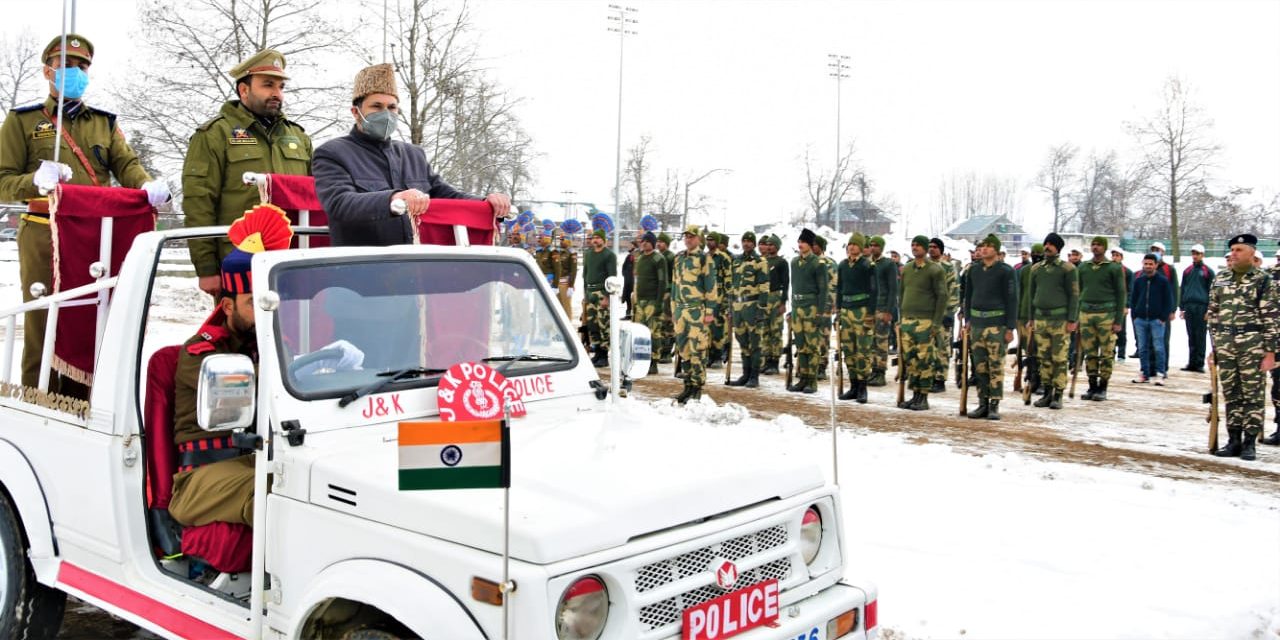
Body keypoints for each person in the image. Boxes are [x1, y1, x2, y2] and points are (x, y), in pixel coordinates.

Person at [0, 34, 164, 396]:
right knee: (43, 322)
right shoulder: (23, 121)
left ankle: (80, 406)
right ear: (48, 71)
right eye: (66, 65)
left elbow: (127, 164)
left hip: (93, 234)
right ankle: (39, 404)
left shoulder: (104, 124)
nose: (75, 71)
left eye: (81, 66)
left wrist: (147, 184)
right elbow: (3, 181)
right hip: (44, 232)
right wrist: (34, 181)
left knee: (88, 321)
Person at [169, 206, 294, 529]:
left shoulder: (274, 343)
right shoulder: (201, 354)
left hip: (257, 459)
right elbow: (247, 390)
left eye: (271, 302)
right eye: (255, 303)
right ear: (227, 306)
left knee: (310, 477)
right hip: (200, 477)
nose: (266, 312)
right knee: (287, 491)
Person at [312, 63, 509, 247]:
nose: (386, 114)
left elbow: (445, 194)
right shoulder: (332, 153)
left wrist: (486, 202)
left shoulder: (413, 154)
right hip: (362, 262)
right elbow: (340, 203)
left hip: (416, 260)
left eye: (392, 107)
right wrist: (393, 198)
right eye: (376, 106)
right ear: (356, 112)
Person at [183, 49, 310, 294]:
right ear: (244, 90)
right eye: (268, 85)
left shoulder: (298, 136)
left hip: (292, 258)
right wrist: (206, 268)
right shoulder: (214, 134)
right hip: (239, 258)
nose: (277, 93)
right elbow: (199, 203)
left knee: (295, 320)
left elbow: (312, 197)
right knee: (243, 320)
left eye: (281, 87)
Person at [1209, 234, 1277, 461]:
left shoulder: (1263, 280)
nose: (1234, 254)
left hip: (1252, 345)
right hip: (1225, 343)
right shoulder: (1221, 278)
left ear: (1251, 253)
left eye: (1239, 250)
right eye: (1232, 250)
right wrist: (1214, 348)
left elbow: (1271, 318)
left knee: (1253, 395)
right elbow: (1213, 314)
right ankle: (1234, 440)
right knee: (1231, 393)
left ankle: (1249, 442)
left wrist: (1270, 352)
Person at [964, 234, 1017, 420]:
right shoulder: (974, 270)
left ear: (996, 250)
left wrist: (1010, 327)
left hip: (996, 325)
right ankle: (982, 402)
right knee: (979, 366)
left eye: (988, 246)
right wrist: (968, 319)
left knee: (995, 365)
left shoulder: (1006, 271)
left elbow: (1012, 299)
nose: (984, 249)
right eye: (982, 246)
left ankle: (994, 403)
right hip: (977, 324)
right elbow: (968, 296)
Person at [1027, 233, 1078, 409]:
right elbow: (1031, 294)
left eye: (1051, 244)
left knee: (1059, 358)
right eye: (1046, 243)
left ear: (1058, 248)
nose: (1047, 247)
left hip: (1060, 320)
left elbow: (1074, 295)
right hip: (1041, 319)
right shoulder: (1036, 269)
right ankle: (1047, 392)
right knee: (1044, 358)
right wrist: (1031, 317)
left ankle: (1058, 393)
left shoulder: (1068, 269)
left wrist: (1072, 319)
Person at [897, 235, 946, 410]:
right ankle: (915, 394)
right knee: (911, 359)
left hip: (925, 322)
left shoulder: (935, 270)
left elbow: (942, 296)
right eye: (913, 244)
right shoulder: (907, 269)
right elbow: (902, 293)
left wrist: (936, 323)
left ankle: (923, 396)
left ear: (925, 249)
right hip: (907, 321)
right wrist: (901, 318)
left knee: (924, 359)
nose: (915, 247)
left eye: (918, 245)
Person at [671, 226, 718, 404]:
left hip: (697, 310)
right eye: (686, 237)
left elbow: (711, 286)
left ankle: (697, 388)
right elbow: (674, 285)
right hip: (681, 310)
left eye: (691, 237)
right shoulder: (679, 258)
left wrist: (710, 311)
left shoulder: (704, 259)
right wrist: (674, 309)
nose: (688, 239)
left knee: (697, 349)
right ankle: (687, 386)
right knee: (684, 350)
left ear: (699, 239)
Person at [1076, 236, 1126, 401]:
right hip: (1086, 313)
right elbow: (1078, 292)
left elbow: (1121, 294)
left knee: (1106, 353)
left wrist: (1118, 320)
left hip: (1106, 314)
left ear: (1104, 248)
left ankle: (1103, 386)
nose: (1095, 247)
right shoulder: (1083, 267)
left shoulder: (1114, 268)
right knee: (1090, 352)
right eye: (1093, 244)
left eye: (1099, 245)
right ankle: (1092, 385)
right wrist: (1076, 316)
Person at [836, 233, 877, 402]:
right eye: (850, 244)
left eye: (855, 244)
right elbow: (839, 288)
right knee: (848, 350)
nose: (851, 247)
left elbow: (874, 291)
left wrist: (870, 314)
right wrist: (838, 309)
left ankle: (862, 387)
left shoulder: (867, 266)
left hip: (861, 311)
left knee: (863, 350)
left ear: (861, 247)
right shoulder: (843, 265)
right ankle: (853, 385)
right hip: (846, 310)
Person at [725, 231, 770, 387]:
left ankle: (754, 376)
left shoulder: (760, 261)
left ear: (754, 244)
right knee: (742, 341)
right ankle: (745, 374)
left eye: (749, 241)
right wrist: (730, 308)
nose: (746, 244)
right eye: (744, 241)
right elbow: (732, 286)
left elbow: (764, 287)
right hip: (738, 307)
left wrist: (761, 309)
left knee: (755, 343)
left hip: (752, 306)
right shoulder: (736, 261)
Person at [788, 229, 828, 394]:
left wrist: (820, 312)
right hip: (797, 307)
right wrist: (792, 308)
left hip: (811, 307)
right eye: (799, 241)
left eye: (803, 242)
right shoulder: (794, 262)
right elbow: (794, 286)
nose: (800, 244)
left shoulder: (818, 263)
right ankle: (803, 378)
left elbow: (823, 289)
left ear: (811, 245)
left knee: (812, 346)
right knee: (801, 345)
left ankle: (812, 381)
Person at [1130, 254, 1175, 385]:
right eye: (1146, 264)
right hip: (1141, 319)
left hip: (1157, 320)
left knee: (1159, 347)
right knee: (1142, 348)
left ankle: (1161, 373)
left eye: (1151, 264)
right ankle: (1144, 373)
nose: (1148, 266)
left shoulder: (1163, 281)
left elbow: (1168, 300)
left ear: (1156, 265)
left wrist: (1163, 317)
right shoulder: (1139, 281)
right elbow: (1133, 299)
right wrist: (1135, 315)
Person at [630, 231, 667, 375]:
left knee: (653, 332)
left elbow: (662, 281)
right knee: (640, 333)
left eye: (647, 241)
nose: (644, 243)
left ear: (653, 243)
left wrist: (658, 303)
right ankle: (642, 360)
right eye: (643, 241)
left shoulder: (658, 259)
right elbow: (637, 279)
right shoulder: (639, 258)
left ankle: (654, 361)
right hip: (640, 301)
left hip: (652, 301)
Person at [927, 237, 959, 392]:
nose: (931, 249)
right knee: (927, 347)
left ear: (941, 249)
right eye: (930, 246)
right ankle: (928, 376)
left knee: (942, 347)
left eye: (935, 247)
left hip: (942, 314)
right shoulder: (924, 266)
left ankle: (940, 379)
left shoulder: (948, 267)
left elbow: (953, 290)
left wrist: (949, 313)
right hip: (926, 313)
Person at [581, 229, 616, 367]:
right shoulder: (588, 254)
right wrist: (585, 295)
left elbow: (612, 276)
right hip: (590, 292)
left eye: (598, 238)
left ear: (603, 240)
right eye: (593, 237)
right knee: (592, 325)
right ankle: (597, 352)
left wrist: (607, 296)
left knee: (603, 324)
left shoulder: (609, 255)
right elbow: (585, 275)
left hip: (602, 292)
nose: (595, 240)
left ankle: (604, 355)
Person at [1146, 241, 1180, 376]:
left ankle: (1162, 367)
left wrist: (1173, 309)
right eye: (1153, 249)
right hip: (1149, 310)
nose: (1155, 252)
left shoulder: (1169, 269)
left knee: (1163, 340)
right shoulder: (1147, 268)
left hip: (1164, 310)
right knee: (1149, 339)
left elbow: (1174, 290)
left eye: (1157, 250)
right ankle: (1150, 366)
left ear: (1163, 252)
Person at [1179, 243, 1214, 373]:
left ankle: (1199, 363)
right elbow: (1183, 288)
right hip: (1189, 306)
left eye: (1197, 254)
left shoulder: (1207, 271)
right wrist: (1182, 307)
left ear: (1202, 255)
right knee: (1191, 335)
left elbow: (1212, 291)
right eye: (1193, 253)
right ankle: (1191, 362)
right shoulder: (1187, 270)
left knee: (1200, 335)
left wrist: (1209, 309)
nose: (1195, 256)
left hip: (1201, 306)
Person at [868, 236, 897, 386]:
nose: (873, 248)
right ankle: (873, 370)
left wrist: (889, 311)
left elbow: (893, 289)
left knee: (881, 341)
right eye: (871, 245)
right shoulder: (867, 263)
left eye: (876, 245)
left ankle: (880, 372)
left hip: (882, 308)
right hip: (870, 308)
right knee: (871, 342)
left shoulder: (888, 264)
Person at [1016, 243, 1045, 393]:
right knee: (1027, 348)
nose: (1036, 256)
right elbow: (1019, 291)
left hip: (1039, 315)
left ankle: (1040, 379)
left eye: (1039, 253)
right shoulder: (1024, 270)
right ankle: (1030, 376)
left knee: (1039, 348)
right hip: (1023, 314)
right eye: (1034, 253)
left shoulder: (1045, 270)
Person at [760, 234, 789, 375]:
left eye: (771, 244)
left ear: (777, 247)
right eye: (767, 244)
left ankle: (774, 361)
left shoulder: (781, 262)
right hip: (764, 298)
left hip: (776, 297)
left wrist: (783, 302)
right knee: (765, 330)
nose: (769, 247)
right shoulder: (762, 261)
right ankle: (766, 359)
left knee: (775, 330)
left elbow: (786, 283)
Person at [705, 233, 733, 368]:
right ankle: (709, 355)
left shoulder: (723, 258)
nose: (709, 242)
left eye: (712, 240)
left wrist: (727, 300)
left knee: (718, 328)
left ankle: (717, 356)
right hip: (706, 298)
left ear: (717, 242)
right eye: (708, 240)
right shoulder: (704, 257)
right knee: (707, 328)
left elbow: (728, 279)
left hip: (719, 297)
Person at [812, 235, 838, 381]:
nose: (813, 247)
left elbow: (833, 285)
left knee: (823, 336)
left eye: (815, 244)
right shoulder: (808, 262)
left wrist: (829, 303)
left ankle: (821, 365)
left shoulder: (829, 264)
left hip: (824, 306)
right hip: (809, 305)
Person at [655, 232, 676, 363]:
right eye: (657, 241)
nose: (658, 244)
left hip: (668, 293)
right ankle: (662, 350)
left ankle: (667, 352)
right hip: (660, 292)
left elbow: (674, 276)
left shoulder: (670, 257)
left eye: (661, 242)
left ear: (667, 244)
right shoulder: (658, 256)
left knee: (667, 322)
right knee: (660, 323)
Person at [1111, 248, 1133, 362]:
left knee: (1121, 329)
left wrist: (1126, 305)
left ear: (1121, 257)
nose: (1115, 258)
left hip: (1121, 305)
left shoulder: (1127, 272)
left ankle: (1121, 354)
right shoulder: (1108, 269)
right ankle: (1111, 352)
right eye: (1113, 255)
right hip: (1109, 305)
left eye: (1117, 255)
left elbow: (1130, 290)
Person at [554, 233, 576, 319]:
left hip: (565, 284)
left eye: (562, 240)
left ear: (567, 240)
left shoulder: (571, 253)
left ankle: (568, 324)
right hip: (557, 283)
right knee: (558, 306)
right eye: (560, 239)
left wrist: (571, 286)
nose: (560, 241)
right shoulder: (559, 252)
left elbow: (573, 271)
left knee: (566, 307)